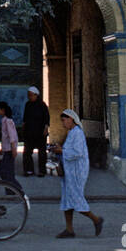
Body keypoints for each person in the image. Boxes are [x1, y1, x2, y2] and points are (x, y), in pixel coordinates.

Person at [56, 109, 103, 237]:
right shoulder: (72, 133)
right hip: (69, 171)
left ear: (71, 119)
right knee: (67, 199)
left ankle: (96, 220)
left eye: (64, 120)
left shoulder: (77, 134)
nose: (63, 123)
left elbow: (77, 153)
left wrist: (62, 151)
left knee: (76, 199)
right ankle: (69, 229)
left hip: (77, 172)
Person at [0, 101, 23, 192]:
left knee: (5, 171)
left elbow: (12, 136)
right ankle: (11, 190)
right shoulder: (4, 120)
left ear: (2, 110)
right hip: (7, 149)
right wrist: (2, 148)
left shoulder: (8, 121)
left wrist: (13, 149)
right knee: (7, 171)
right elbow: (5, 137)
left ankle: (17, 189)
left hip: (10, 150)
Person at [22, 86, 50, 177]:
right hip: (29, 132)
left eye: (31, 95)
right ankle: (29, 170)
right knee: (27, 152)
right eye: (28, 95)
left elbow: (46, 118)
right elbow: (25, 118)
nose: (29, 97)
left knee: (42, 152)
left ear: (36, 95)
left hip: (40, 132)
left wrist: (46, 128)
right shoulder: (28, 105)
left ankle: (42, 170)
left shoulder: (42, 105)